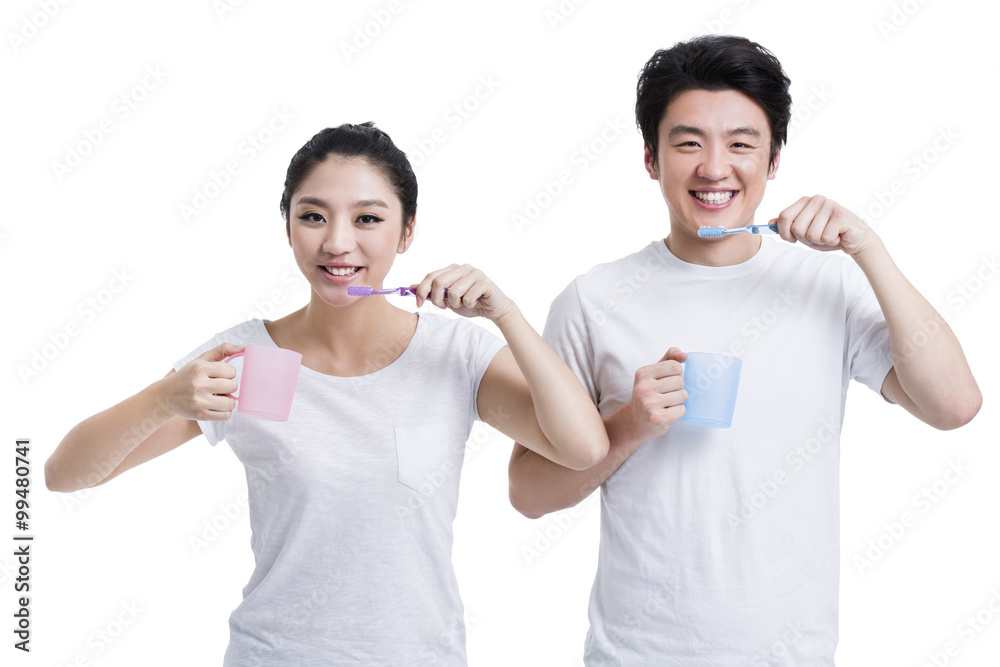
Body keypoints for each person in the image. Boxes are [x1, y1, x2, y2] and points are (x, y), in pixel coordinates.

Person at [44, 122, 609, 666]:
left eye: (368, 218)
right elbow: (64, 474)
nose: (337, 243)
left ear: (407, 231)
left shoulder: (454, 354)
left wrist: (506, 315)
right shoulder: (249, 360)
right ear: (288, 226)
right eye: (312, 216)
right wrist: (165, 399)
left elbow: (583, 449)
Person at [508, 35, 981, 665]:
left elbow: (954, 405)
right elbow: (528, 494)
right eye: (687, 142)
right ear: (651, 159)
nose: (713, 167)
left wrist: (868, 247)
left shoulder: (828, 281)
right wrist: (626, 426)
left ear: (774, 158)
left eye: (740, 143)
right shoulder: (592, 301)